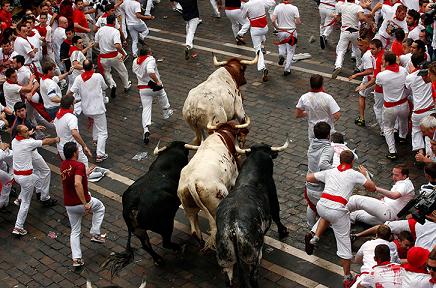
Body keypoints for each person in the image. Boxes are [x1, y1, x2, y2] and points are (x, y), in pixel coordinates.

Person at [305, 150, 376, 287]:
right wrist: (365, 175)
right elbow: (372, 188)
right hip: (337, 210)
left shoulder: (330, 172)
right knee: (344, 245)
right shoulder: (355, 174)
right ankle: (347, 276)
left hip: (322, 205)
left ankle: (315, 237)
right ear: (352, 162)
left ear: (340, 159)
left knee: (326, 215)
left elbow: (309, 178)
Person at [61, 141, 105, 267]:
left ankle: (77, 259)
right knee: (100, 207)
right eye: (78, 150)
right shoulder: (79, 165)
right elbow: (77, 183)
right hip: (82, 202)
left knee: (75, 231)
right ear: (75, 153)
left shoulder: (63, 164)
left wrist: (85, 174)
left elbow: (71, 178)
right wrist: (85, 203)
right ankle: (95, 233)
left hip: (69, 205)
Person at [11, 125, 59, 236]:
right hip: (26, 178)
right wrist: (56, 139)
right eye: (25, 131)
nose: (28, 132)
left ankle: (20, 198)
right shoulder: (28, 143)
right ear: (19, 134)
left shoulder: (14, 141)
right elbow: (45, 141)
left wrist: (30, 136)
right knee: (26, 203)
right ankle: (18, 227)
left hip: (17, 176)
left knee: (36, 178)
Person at [67, 60, 109, 163]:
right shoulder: (98, 76)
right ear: (92, 67)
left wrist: (66, 101)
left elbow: (70, 92)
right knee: (103, 131)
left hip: (86, 109)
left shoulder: (78, 78)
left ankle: (95, 140)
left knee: (95, 123)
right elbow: (104, 87)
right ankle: (100, 154)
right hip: (98, 108)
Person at [132, 46, 174, 144]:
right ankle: (166, 112)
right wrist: (157, 81)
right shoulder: (150, 60)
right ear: (148, 53)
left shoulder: (135, 61)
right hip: (154, 86)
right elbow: (150, 71)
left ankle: (146, 129)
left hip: (143, 88)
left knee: (146, 108)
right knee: (162, 94)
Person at [348, 164, 414, 225]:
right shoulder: (401, 183)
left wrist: (375, 188)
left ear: (404, 176)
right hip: (387, 217)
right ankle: (341, 222)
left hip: (388, 211)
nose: (393, 177)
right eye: (393, 174)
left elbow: (394, 196)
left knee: (355, 199)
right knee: (356, 214)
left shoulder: (406, 184)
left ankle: (339, 208)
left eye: (396, 175)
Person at [375, 51, 408, 160]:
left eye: (383, 59)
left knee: (388, 128)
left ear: (387, 62)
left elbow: (379, 84)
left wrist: (383, 71)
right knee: (403, 120)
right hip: (403, 103)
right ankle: (402, 137)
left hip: (390, 107)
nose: (382, 61)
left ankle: (392, 151)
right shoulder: (403, 70)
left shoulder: (381, 75)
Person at [331, 0, 372, 79]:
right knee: (357, 49)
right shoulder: (358, 7)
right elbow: (361, 17)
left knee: (340, 50)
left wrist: (335, 16)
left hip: (345, 31)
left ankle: (338, 66)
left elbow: (338, 19)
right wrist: (370, 22)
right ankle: (358, 66)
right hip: (355, 32)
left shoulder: (342, 6)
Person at [304, 121, 334, 227]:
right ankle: (316, 231)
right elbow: (323, 163)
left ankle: (311, 225)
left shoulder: (312, 143)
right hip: (320, 189)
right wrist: (335, 170)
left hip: (309, 186)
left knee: (311, 206)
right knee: (326, 212)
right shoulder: (328, 148)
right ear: (328, 135)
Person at [95, 14, 130, 99]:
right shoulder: (115, 31)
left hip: (103, 57)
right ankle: (126, 85)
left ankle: (112, 84)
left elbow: (96, 44)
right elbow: (117, 45)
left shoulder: (100, 30)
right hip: (114, 56)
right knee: (122, 71)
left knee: (107, 72)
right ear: (114, 22)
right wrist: (123, 53)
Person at [295, 74, 340, 141]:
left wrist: (309, 111)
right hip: (327, 131)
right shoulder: (328, 97)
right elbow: (337, 115)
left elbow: (298, 114)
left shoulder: (304, 97)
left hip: (313, 131)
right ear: (322, 84)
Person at [406, 53, 434, 155]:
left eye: (425, 75)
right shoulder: (432, 81)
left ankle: (421, 153)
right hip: (430, 111)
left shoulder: (410, 77)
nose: (423, 78)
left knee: (417, 131)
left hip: (418, 112)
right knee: (428, 135)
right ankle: (428, 156)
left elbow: (407, 89)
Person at [241, 0, 276, 82]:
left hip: (255, 29)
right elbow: (272, 3)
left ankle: (263, 67)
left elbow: (243, 17)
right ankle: (263, 45)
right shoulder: (261, 1)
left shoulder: (247, 5)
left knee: (257, 49)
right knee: (262, 37)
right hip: (265, 28)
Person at [54, 94, 92, 166]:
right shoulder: (71, 117)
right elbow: (74, 133)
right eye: (74, 103)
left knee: (71, 168)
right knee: (83, 166)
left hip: (61, 149)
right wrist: (84, 146)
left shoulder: (59, 113)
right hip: (72, 150)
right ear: (71, 106)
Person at [356, 39, 385, 134]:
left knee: (378, 108)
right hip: (382, 85)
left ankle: (383, 129)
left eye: (373, 49)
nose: (371, 50)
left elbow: (373, 75)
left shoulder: (376, 58)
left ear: (379, 48)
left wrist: (364, 85)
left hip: (378, 86)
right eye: (370, 48)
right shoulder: (382, 55)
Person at [271, 0, 301, 77]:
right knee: (290, 51)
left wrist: (277, 27)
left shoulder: (277, 7)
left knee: (281, 45)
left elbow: (273, 20)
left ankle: (281, 55)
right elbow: (298, 22)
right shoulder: (294, 8)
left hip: (281, 31)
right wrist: (296, 21)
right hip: (291, 32)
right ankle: (287, 69)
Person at [350, 37, 374, 127]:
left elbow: (369, 70)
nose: (359, 47)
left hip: (370, 78)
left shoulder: (367, 55)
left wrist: (357, 74)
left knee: (361, 96)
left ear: (367, 44)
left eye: (361, 45)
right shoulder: (372, 51)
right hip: (376, 78)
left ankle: (361, 118)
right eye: (358, 45)